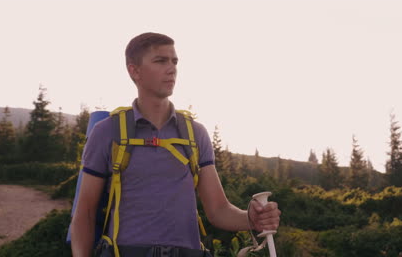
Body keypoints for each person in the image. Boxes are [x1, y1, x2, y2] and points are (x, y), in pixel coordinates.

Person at [70, 32, 281, 257]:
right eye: (160, 61)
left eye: (174, 61)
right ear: (135, 71)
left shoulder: (195, 134)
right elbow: (85, 214)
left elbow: (218, 210)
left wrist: (251, 218)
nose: (171, 69)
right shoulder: (107, 132)